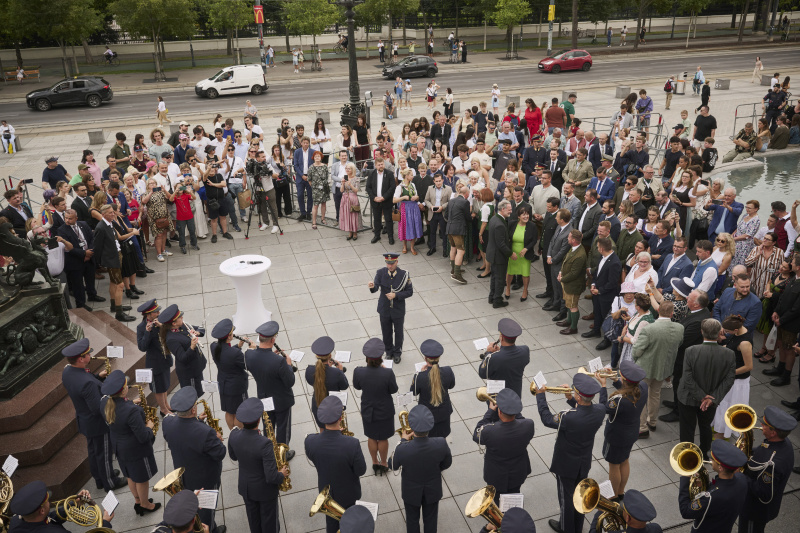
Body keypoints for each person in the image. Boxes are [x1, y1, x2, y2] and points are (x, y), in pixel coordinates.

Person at [535, 374, 605, 533]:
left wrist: (540, 395)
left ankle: (566, 528)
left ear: (579, 397)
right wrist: (570, 398)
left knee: (566, 500)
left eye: (575, 393)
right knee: (580, 497)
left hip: (566, 464)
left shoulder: (568, 417)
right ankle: (578, 528)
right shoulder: (600, 410)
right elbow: (585, 410)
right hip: (583, 462)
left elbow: (547, 419)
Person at [60, 338, 126, 493]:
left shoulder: (68, 371)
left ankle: (99, 478)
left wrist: (97, 377)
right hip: (97, 424)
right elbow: (97, 408)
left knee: (94, 451)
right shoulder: (86, 383)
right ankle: (110, 481)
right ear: (81, 359)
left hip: (84, 420)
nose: (90, 355)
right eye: (88, 354)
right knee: (104, 453)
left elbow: (81, 384)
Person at [162, 386, 227, 533]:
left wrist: (196, 420)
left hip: (183, 476)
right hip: (205, 480)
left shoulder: (167, 423)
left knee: (190, 507)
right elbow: (220, 453)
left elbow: (183, 432)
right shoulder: (206, 432)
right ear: (193, 410)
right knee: (206, 512)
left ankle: (212, 528)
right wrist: (217, 438)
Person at [100, 370, 160, 515]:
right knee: (141, 479)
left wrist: (131, 403)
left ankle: (138, 501)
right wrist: (150, 427)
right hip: (136, 450)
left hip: (119, 447)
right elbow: (143, 436)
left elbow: (118, 411)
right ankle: (146, 505)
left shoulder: (104, 402)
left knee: (130, 476)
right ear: (124, 390)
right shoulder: (132, 411)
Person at [305, 395, 367, 533]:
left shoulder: (310, 441)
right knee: (351, 524)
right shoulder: (352, 444)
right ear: (340, 418)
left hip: (327, 492)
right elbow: (361, 470)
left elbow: (312, 456)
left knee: (331, 524)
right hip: (349, 493)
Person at [387, 403, 452, 533]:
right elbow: (447, 463)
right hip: (432, 489)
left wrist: (402, 441)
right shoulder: (440, 443)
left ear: (412, 426)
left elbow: (392, 465)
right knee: (431, 521)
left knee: (412, 521)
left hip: (411, 491)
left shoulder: (403, 449)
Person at [227, 398, 288, 533]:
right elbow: (271, 477)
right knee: (269, 523)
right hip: (264, 491)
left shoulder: (234, 435)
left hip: (246, 488)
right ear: (259, 421)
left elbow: (233, 456)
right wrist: (282, 475)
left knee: (253, 520)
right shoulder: (265, 444)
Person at [678, 318, 736, 457]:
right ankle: (704, 452)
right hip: (711, 400)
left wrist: (701, 396)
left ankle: (688, 455)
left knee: (687, 429)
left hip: (688, 398)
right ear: (719, 333)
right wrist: (711, 398)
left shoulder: (691, 350)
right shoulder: (729, 354)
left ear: (701, 332)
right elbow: (729, 379)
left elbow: (687, 377)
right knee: (705, 426)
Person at [738, 405, 797, 533]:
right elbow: (763, 449)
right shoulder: (781, 442)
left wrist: (740, 474)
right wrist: (744, 451)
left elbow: (763, 492)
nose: (761, 424)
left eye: (764, 424)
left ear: (773, 432)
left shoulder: (773, 464)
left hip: (754, 511)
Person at [632, 301, 683, 437]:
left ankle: (642, 428)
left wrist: (635, 361)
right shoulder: (679, 328)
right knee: (655, 394)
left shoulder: (649, 329)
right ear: (672, 313)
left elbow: (637, 350)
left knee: (639, 396)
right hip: (663, 368)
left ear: (658, 310)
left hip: (645, 368)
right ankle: (652, 422)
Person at [599, 360, 649, 499]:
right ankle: (620, 491)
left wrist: (603, 385)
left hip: (616, 437)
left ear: (624, 379)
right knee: (624, 460)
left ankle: (613, 496)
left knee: (614, 465)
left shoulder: (619, 401)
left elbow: (603, 407)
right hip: (631, 433)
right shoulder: (643, 387)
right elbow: (629, 389)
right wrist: (615, 380)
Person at [678, 439, 748, 533]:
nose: (710, 460)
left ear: (720, 468)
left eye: (713, 459)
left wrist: (685, 478)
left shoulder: (711, 497)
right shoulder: (742, 479)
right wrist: (704, 486)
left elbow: (685, 511)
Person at [353, 337, 398, 475]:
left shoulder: (359, 371)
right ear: (381, 358)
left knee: (372, 437)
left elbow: (357, 386)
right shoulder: (387, 373)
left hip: (368, 410)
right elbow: (393, 390)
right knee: (383, 438)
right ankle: (384, 463)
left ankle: (374, 462)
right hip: (385, 411)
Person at [7, 481, 113, 532]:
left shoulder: (15, 521)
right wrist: (105, 522)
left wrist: (74, 504)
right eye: (47, 501)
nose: (49, 502)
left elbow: (51, 517)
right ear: (42, 511)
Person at [369, 252, 413, 363]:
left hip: (398, 309)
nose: (390, 266)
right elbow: (375, 288)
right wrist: (372, 287)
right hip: (384, 309)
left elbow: (409, 292)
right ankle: (388, 351)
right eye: (388, 263)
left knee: (398, 333)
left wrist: (396, 295)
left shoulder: (404, 275)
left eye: (392, 263)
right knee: (386, 332)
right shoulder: (380, 273)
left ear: (396, 262)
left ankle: (397, 352)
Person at [93, 205, 134, 321]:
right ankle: (119, 313)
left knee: (113, 282)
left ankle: (114, 306)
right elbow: (97, 247)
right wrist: (101, 262)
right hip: (110, 259)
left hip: (116, 255)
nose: (113, 214)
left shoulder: (110, 223)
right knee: (120, 285)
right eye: (110, 213)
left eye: (113, 212)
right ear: (104, 214)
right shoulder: (100, 227)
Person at [209, 318, 250, 431]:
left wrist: (238, 346)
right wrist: (251, 350)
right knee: (239, 412)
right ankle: (238, 434)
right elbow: (247, 364)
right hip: (236, 387)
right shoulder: (235, 354)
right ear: (229, 336)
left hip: (224, 384)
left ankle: (232, 433)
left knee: (229, 411)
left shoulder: (213, 347)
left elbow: (227, 355)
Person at [158, 304, 207, 397]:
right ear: (174, 323)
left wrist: (197, 332)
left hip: (196, 367)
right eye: (180, 317)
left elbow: (199, 328)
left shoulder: (183, 326)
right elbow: (182, 358)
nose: (182, 317)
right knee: (192, 397)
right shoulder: (171, 339)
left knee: (199, 393)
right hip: (189, 373)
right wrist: (192, 346)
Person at [583, 237, 622, 344]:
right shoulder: (603, 256)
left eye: (598, 247)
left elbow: (612, 283)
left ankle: (607, 339)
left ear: (601, 249)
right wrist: (593, 284)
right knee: (597, 312)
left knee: (606, 316)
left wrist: (599, 291)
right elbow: (597, 273)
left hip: (606, 295)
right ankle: (596, 330)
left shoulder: (614, 262)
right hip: (597, 291)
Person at [478, 318, 530, 398]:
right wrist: (501, 351)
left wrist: (489, 352)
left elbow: (482, 373)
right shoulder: (525, 350)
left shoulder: (493, 357)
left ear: (501, 337)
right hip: (515, 395)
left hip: (497, 397)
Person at [556, 229, 588, 335]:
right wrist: (561, 272)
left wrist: (562, 279)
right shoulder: (574, 249)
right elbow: (566, 261)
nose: (567, 238)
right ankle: (569, 321)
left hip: (574, 285)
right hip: (567, 283)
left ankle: (573, 327)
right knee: (568, 304)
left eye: (569, 237)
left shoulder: (580, 255)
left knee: (573, 306)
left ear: (573, 240)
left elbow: (574, 273)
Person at [505, 205, 537, 301]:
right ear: (518, 216)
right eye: (523, 215)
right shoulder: (512, 224)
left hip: (525, 255)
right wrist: (510, 252)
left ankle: (525, 290)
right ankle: (507, 288)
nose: (526, 216)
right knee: (510, 272)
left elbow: (534, 240)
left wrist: (526, 248)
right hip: (513, 253)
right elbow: (507, 238)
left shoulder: (532, 226)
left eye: (527, 214)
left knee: (525, 273)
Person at [486, 199, 513, 306]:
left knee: (494, 277)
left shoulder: (494, 219)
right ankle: (497, 300)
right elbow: (501, 244)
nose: (511, 212)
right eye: (509, 210)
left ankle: (491, 297)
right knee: (500, 279)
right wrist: (511, 254)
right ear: (503, 209)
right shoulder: (500, 224)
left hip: (493, 254)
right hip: (499, 257)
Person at [366, 157, 396, 244]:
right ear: (375, 166)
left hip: (386, 200)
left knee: (388, 219)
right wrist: (374, 197)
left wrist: (384, 197)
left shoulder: (389, 174)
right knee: (377, 219)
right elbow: (368, 187)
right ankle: (377, 235)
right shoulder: (372, 174)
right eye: (379, 165)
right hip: (375, 201)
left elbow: (392, 187)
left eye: (382, 164)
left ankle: (390, 237)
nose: (381, 166)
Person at [393, 168, 423, 254]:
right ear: (406, 176)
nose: (413, 176)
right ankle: (405, 246)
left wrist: (416, 197)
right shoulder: (400, 187)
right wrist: (403, 197)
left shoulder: (412, 185)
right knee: (405, 226)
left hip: (413, 208)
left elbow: (417, 196)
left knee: (413, 226)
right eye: (411, 175)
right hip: (405, 208)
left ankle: (412, 247)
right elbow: (394, 200)